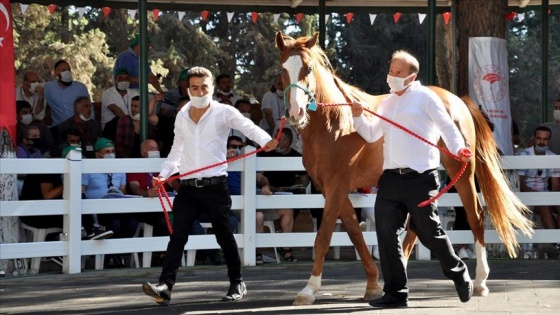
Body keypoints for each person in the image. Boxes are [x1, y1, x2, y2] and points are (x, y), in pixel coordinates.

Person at [142, 66, 277, 305]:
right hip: (188, 188)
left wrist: (266, 140)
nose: (200, 91)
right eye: (195, 87)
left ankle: (237, 282)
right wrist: (163, 175)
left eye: (204, 87)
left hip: (216, 187)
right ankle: (165, 286)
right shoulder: (182, 114)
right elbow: (176, 150)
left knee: (224, 235)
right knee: (177, 236)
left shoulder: (224, 111)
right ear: (188, 88)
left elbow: (248, 127)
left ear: (212, 87)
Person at [351, 50, 473, 308]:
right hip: (390, 179)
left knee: (429, 232)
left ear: (411, 76)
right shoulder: (386, 103)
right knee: (386, 235)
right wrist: (358, 115)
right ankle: (396, 293)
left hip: (422, 179)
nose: (391, 76)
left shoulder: (425, 97)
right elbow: (371, 135)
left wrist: (458, 148)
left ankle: (458, 272)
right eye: (391, 70)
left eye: (398, 72)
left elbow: (447, 127)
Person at [258, 128, 309, 262]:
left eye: (280, 139)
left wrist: (300, 184)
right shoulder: (266, 154)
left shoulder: (297, 156)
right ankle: (281, 243)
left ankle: (285, 245)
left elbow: (305, 181)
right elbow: (259, 177)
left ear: (288, 142)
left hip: (288, 193)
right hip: (267, 194)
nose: (276, 141)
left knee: (294, 201)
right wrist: (273, 188)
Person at [82, 138, 134, 267]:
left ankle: (116, 253)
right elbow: (81, 191)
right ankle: (110, 256)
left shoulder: (119, 168)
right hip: (97, 209)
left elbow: (123, 192)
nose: (111, 153)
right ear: (98, 154)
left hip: (117, 207)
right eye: (107, 151)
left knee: (133, 222)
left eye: (113, 151)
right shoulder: (88, 168)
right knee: (115, 223)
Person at [517, 126, 560, 252]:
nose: (542, 142)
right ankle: (556, 241)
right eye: (539, 138)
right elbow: (520, 183)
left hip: (545, 194)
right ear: (534, 139)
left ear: (549, 141)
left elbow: (556, 185)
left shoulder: (553, 158)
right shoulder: (522, 156)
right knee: (544, 206)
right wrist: (535, 195)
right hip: (527, 195)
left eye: (545, 139)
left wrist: (554, 199)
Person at [44, 59, 90, 127]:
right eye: (63, 70)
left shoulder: (80, 87)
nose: (67, 72)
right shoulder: (48, 87)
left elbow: (88, 107)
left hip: (79, 126)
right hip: (59, 127)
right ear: (56, 73)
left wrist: (90, 125)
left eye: (68, 70)